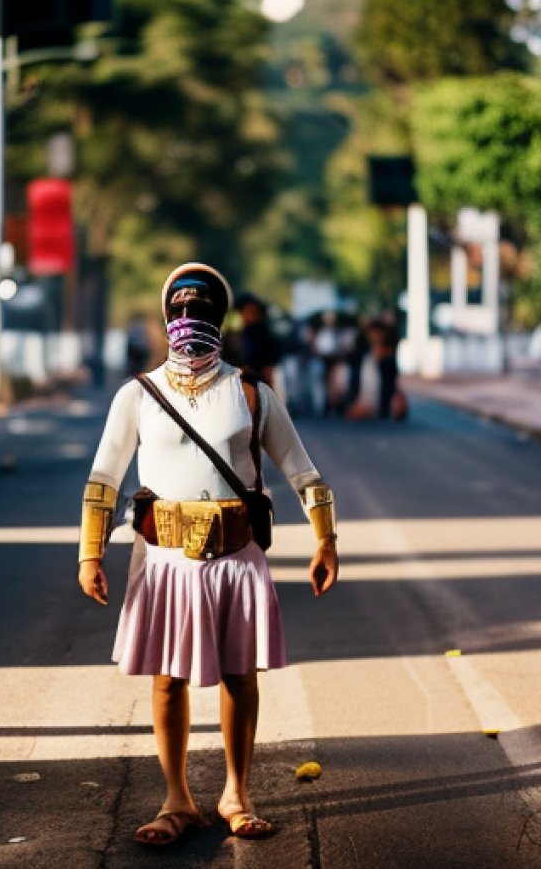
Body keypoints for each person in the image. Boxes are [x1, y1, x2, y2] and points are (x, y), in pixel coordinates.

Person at [77, 263, 339, 846]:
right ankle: (176, 801)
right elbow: (103, 480)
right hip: (163, 562)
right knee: (167, 681)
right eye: (179, 307)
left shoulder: (252, 393)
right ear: (166, 314)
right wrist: (88, 554)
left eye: (201, 308)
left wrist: (326, 540)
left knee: (239, 676)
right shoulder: (137, 395)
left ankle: (235, 794)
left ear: (219, 318)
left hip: (236, 556)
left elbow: (303, 472)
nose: (189, 318)